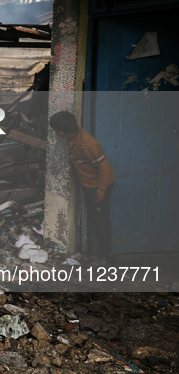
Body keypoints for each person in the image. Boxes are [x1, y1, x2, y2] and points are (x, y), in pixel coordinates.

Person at [49, 111, 115, 264]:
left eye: (55, 130)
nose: (55, 133)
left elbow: (104, 168)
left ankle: (106, 257)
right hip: (89, 183)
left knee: (101, 220)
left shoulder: (88, 144)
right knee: (94, 218)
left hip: (99, 185)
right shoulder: (73, 134)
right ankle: (106, 252)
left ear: (61, 132)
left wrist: (100, 191)